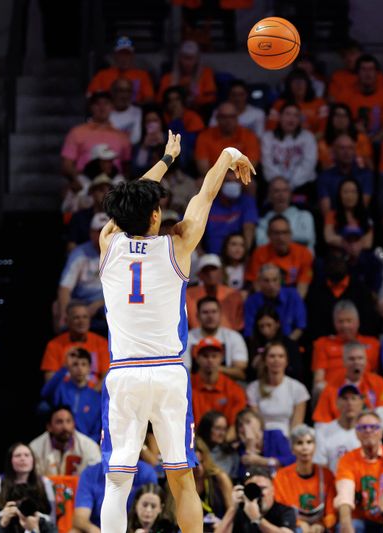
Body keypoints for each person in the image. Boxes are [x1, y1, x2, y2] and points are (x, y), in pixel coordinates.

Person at [97, 131, 254, 533]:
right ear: (154, 216)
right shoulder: (177, 246)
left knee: (117, 480)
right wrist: (226, 155)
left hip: (125, 373)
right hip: (168, 373)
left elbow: (131, 197)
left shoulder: (108, 243)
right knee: (181, 475)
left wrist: (164, 161)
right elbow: (204, 197)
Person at [334, 411, 383, 533]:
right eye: (363, 428)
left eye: (373, 427)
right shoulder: (347, 460)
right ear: (356, 433)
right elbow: (344, 494)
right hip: (360, 520)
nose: (368, 431)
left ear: (381, 432)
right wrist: (345, 523)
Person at [272, 425, 337, 533]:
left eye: (309, 442)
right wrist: (298, 523)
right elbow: (281, 509)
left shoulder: (327, 475)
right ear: (292, 449)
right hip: (293, 527)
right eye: (299, 443)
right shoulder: (281, 477)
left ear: (315, 446)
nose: (305, 447)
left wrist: (322, 524)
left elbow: (332, 512)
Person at [312, 343, 383, 429]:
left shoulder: (378, 382)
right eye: (351, 359)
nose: (356, 362)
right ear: (343, 361)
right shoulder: (331, 386)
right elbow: (320, 424)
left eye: (360, 358)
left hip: (368, 432)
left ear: (366, 360)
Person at [61, 92, 131, 185]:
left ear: (112, 107)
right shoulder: (77, 132)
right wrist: (76, 181)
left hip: (114, 184)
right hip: (84, 184)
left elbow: (127, 167)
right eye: (97, 104)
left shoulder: (122, 136)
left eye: (106, 103)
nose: (102, 108)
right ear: (91, 107)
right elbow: (67, 165)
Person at [311, 300, 381, 393]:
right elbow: (318, 380)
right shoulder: (323, 343)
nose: (345, 326)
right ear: (334, 323)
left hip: (363, 393)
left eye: (349, 321)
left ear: (358, 322)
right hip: (332, 393)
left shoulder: (372, 344)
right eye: (340, 321)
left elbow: (375, 375)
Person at [56, 213, 110, 331]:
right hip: (82, 302)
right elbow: (65, 288)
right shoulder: (79, 254)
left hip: (108, 302)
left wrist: (99, 304)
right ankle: (63, 347)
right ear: (91, 233)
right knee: (57, 308)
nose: (103, 235)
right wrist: (65, 313)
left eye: (107, 231)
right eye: (99, 231)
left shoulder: (119, 254)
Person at [246, 341, 310, 438]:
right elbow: (256, 423)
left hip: (287, 439)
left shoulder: (298, 388)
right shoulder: (253, 388)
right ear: (265, 360)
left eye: (281, 356)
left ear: (286, 361)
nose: (276, 360)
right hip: (261, 438)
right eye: (272, 356)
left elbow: (296, 425)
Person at [73, 459, 158, 532]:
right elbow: (80, 517)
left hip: (132, 527)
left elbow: (151, 511)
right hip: (99, 528)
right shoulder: (90, 474)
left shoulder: (146, 473)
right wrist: (94, 530)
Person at [40, 347, 101, 442]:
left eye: (83, 364)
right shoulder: (61, 388)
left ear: (89, 368)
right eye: (75, 364)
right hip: (60, 439)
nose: (80, 368)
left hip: (85, 444)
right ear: (69, 368)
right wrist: (64, 367)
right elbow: (44, 393)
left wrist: (89, 445)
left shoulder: (96, 398)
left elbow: (97, 429)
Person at [246, 217, 314, 298]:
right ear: (269, 235)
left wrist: (292, 305)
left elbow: (302, 287)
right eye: (276, 233)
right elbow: (257, 285)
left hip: (293, 292)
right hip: (267, 292)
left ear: (290, 234)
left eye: (285, 232)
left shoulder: (304, 253)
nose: (281, 238)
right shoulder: (259, 253)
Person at [0, 443, 54, 524]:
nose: (23, 459)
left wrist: (36, 517)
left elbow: (51, 518)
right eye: (18, 455)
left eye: (27, 455)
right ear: (10, 460)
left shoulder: (44, 482)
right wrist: (6, 515)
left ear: (33, 459)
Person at [337, 54, 383, 143]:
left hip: (378, 142)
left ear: (377, 73)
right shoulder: (344, 95)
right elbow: (340, 125)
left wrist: (370, 143)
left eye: (371, 69)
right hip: (352, 141)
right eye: (363, 69)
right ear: (357, 73)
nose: (367, 73)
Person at [215, 467, 297, 533]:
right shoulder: (240, 512)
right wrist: (232, 508)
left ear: (273, 490)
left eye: (262, 488)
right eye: (253, 489)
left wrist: (257, 519)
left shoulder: (285, 511)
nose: (258, 493)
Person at [41, 302, 109, 381]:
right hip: (65, 392)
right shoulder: (54, 345)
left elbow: (106, 378)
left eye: (85, 317)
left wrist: (90, 393)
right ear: (67, 321)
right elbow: (50, 381)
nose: (81, 321)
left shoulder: (102, 343)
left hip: (93, 392)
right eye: (76, 318)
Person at [191, 336, 248, 430]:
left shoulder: (234, 389)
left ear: (221, 358)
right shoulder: (186, 386)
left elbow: (235, 427)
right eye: (205, 356)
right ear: (197, 358)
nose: (210, 360)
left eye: (214, 356)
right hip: (193, 439)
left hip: (224, 440)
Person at [261, 104, 318, 195]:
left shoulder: (308, 137)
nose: (291, 119)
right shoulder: (268, 137)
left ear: (300, 120)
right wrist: (280, 185)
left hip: (303, 185)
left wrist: (290, 185)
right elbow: (267, 164)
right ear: (279, 117)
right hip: (274, 185)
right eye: (287, 114)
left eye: (296, 115)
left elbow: (308, 165)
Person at [29, 405, 101, 477]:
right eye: (59, 422)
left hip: (81, 488)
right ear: (49, 427)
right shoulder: (35, 448)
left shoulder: (90, 447)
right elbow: (35, 480)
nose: (65, 427)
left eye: (68, 421)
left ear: (74, 424)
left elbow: (95, 479)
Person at [186, 297, 249, 378]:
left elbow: (240, 369)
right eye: (205, 312)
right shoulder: (187, 338)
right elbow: (184, 370)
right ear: (197, 316)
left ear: (221, 314)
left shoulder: (234, 337)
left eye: (214, 312)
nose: (210, 316)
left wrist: (209, 369)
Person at [195, 102, 260, 178]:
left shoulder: (249, 136)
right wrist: (224, 177)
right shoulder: (205, 136)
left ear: (237, 118)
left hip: (240, 179)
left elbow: (251, 166)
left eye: (231, 117)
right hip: (213, 179)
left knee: (252, 185)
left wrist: (233, 177)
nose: (228, 121)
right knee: (200, 183)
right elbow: (203, 168)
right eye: (224, 117)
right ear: (217, 118)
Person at [242, 264, 306, 341]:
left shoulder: (292, 295)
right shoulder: (251, 301)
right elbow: (249, 332)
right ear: (259, 281)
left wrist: (286, 345)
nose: (271, 285)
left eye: (275, 280)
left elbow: (300, 327)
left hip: (289, 343)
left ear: (281, 280)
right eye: (266, 280)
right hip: (261, 345)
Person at [255, 177, 316, 252]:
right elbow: (261, 244)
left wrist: (275, 240)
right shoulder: (263, 221)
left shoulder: (304, 216)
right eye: (276, 191)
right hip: (272, 262)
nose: (281, 194)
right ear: (269, 196)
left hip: (302, 261)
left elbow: (306, 239)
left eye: (285, 190)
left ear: (290, 194)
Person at [87, 36, 154, 104]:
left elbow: (149, 98)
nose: (124, 58)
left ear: (132, 56)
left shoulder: (142, 75)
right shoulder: (102, 75)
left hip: (134, 112)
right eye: (120, 54)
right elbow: (90, 96)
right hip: (109, 112)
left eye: (127, 54)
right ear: (114, 56)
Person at [185, 255, 244, 331]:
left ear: (221, 272)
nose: (210, 273)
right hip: (197, 338)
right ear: (200, 275)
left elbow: (238, 325)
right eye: (206, 270)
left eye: (213, 269)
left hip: (228, 338)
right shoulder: (188, 295)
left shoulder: (233, 295)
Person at [233, 409, 295, 480]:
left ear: (259, 421)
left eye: (248, 422)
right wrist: (250, 447)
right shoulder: (241, 449)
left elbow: (291, 460)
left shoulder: (275, 435)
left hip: (282, 481)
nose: (245, 428)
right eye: (240, 425)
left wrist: (264, 461)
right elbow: (245, 475)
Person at [313, 386, 363, 473]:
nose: (349, 403)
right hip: (332, 483)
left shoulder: (368, 432)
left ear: (361, 403)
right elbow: (320, 466)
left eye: (353, 398)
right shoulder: (323, 431)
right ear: (337, 403)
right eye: (345, 398)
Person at [157, 40, 216, 112]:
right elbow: (160, 100)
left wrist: (195, 100)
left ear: (197, 59)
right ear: (179, 59)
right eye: (185, 58)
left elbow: (211, 98)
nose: (188, 63)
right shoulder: (167, 78)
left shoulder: (206, 74)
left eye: (191, 58)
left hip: (199, 111)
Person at [203, 177, 258, 255]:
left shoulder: (247, 201)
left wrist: (245, 253)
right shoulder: (208, 203)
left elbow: (249, 228)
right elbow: (194, 231)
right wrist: (200, 254)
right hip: (212, 256)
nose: (232, 184)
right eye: (227, 181)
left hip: (236, 255)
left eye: (236, 181)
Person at [267, 69, 328, 134]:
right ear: (288, 85)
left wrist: (310, 140)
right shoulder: (278, 104)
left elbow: (324, 129)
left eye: (302, 81)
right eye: (295, 81)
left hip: (314, 140)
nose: (299, 85)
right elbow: (271, 128)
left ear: (308, 84)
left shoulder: (320, 103)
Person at [317, 104, 373, 171]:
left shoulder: (361, 139)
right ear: (331, 119)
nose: (341, 119)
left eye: (344, 116)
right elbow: (325, 171)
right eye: (337, 115)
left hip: (359, 177)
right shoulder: (322, 144)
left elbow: (369, 166)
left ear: (349, 119)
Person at [324, 178, 374, 254]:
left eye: (353, 192)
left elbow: (368, 243)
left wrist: (352, 246)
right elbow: (329, 238)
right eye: (345, 192)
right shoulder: (331, 215)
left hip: (361, 256)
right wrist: (349, 245)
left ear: (359, 195)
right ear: (339, 195)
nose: (350, 196)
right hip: (338, 256)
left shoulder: (366, 216)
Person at [193, 438, 232, 530]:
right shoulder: (182, 482)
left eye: (202, 462)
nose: (199, 468)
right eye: (195, 464)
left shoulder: (220, 478)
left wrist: (222, 527)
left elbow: (232, 511)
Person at [198, 411, 239, 479]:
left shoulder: (230, 454)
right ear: (206, 428)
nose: (222, 433)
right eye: (217, 428)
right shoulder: (195, 450)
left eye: (224, 429)